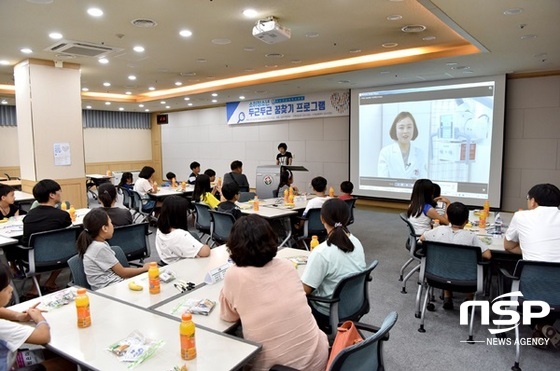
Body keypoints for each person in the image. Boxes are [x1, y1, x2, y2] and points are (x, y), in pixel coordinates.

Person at [220, 215, 328, 371]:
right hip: (319, 359)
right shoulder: (287, 265)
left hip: (276, 368)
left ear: (234, 245)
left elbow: (228, 316)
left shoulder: (234, 275)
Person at [504, 183, 560, 349]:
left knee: (511, 279)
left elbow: (508, 246)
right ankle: (543, 328)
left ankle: (539, 326)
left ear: (533, 202)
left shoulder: (521, 216)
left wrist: (529, 249)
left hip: (530, 286)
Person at [301, 198, 366, 330]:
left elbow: (304, 291)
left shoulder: (321, 252)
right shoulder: (356, 242)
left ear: (322, 219)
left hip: (327, 311)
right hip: (355, 304)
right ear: (347, 218)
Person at [420, 202, 491, 309]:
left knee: (448, 260)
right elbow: (488, 255)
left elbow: (422, 238)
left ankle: (447, 295)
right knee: (476, 264)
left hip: (438, 276)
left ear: (447, 217)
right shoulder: (471, 236)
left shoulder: (438, 231)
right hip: (465, 279)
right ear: (467, 221)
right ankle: (469, 297)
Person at [21, 179, 72, 298]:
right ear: (52, 195)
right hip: (62, 256)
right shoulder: (62, 215)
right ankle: (51, 280)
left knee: (34, 246)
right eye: (59, 191)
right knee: (63, 246)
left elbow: (26, 240)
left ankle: (35, 287)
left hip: (34, 259)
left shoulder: (29, 216)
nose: (61, 193)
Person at [77, 208, 149, 290]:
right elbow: (123, 273)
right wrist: (143, 269)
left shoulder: (96, 243)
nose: (112, 225)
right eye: (110, 223)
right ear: (104, 228)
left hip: (112, 285)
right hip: (109, 289)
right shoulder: (99, 247)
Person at [0, 263, 52, 370]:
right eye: (5, 288)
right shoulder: (2, 327)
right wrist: (39, 318)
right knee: (66, 364)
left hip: (9, 359)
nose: (11, 289)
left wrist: (18, 316)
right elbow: (43, 336)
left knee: (50, 354)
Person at [156, 196, 211, 264]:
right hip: (182, 266)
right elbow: (205, 252)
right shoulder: (179, 235)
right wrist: (206, 246)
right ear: (179, 215)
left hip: (167, 261)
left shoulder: (161, 226)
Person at [377, 111, 427, 179]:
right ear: (395, 130)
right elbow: (382, 181)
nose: (405, 131)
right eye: (401, 127)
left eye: (409, 127)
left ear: (414, 129)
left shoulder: (420, 154)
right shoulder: (385, 153)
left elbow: (424, 180)